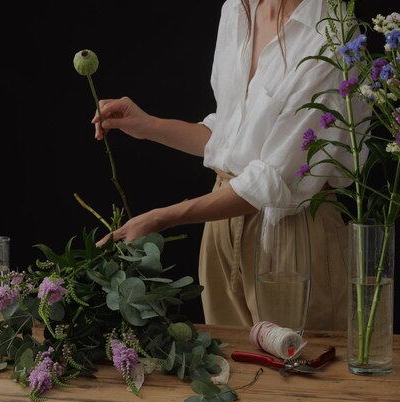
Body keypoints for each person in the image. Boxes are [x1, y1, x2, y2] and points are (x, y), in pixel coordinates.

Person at [92, 0, 370, 331]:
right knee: (232, 374)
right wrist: (149, 125)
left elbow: (272, 179)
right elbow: (230, 140)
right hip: (220, 225)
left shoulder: (333, 33)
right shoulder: (237, 10)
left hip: (292, 234)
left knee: (301, 374)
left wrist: (160, 218)